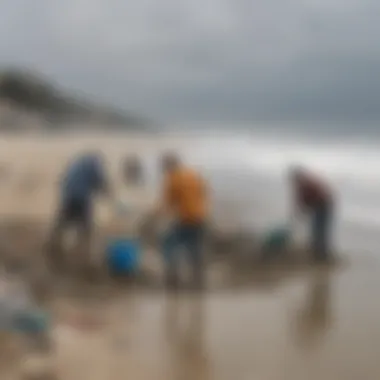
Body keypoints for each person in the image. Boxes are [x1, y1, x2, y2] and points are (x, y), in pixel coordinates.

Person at [47, 151, 110, 271]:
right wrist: (109, 194)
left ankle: (53, 246)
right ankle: (82, 256)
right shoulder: (95, 166)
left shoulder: (79, 163)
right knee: (86, 228)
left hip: (67, 194)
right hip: (81, 198)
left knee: (62, 223)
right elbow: (101, 183)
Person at [158, 153, 208, 289]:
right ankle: (198, 279)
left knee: (169, 245)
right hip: (200, 217)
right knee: (194, 249)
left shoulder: (173, 178)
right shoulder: (193, 175)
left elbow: (168, 203)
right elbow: (204, 192)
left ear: (168, 166)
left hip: (185, 218)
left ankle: (172, 278)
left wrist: (157, 215)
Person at [289, 166, 333, 262]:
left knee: (320, 229)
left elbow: (318, 198)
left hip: (324, 205)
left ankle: (322, 254)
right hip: (317, 205)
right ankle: (316, 250)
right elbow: (300, 201)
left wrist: (304, 210)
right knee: (315, 228)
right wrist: (299, 212)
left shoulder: (309, 184)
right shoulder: (302, 186)